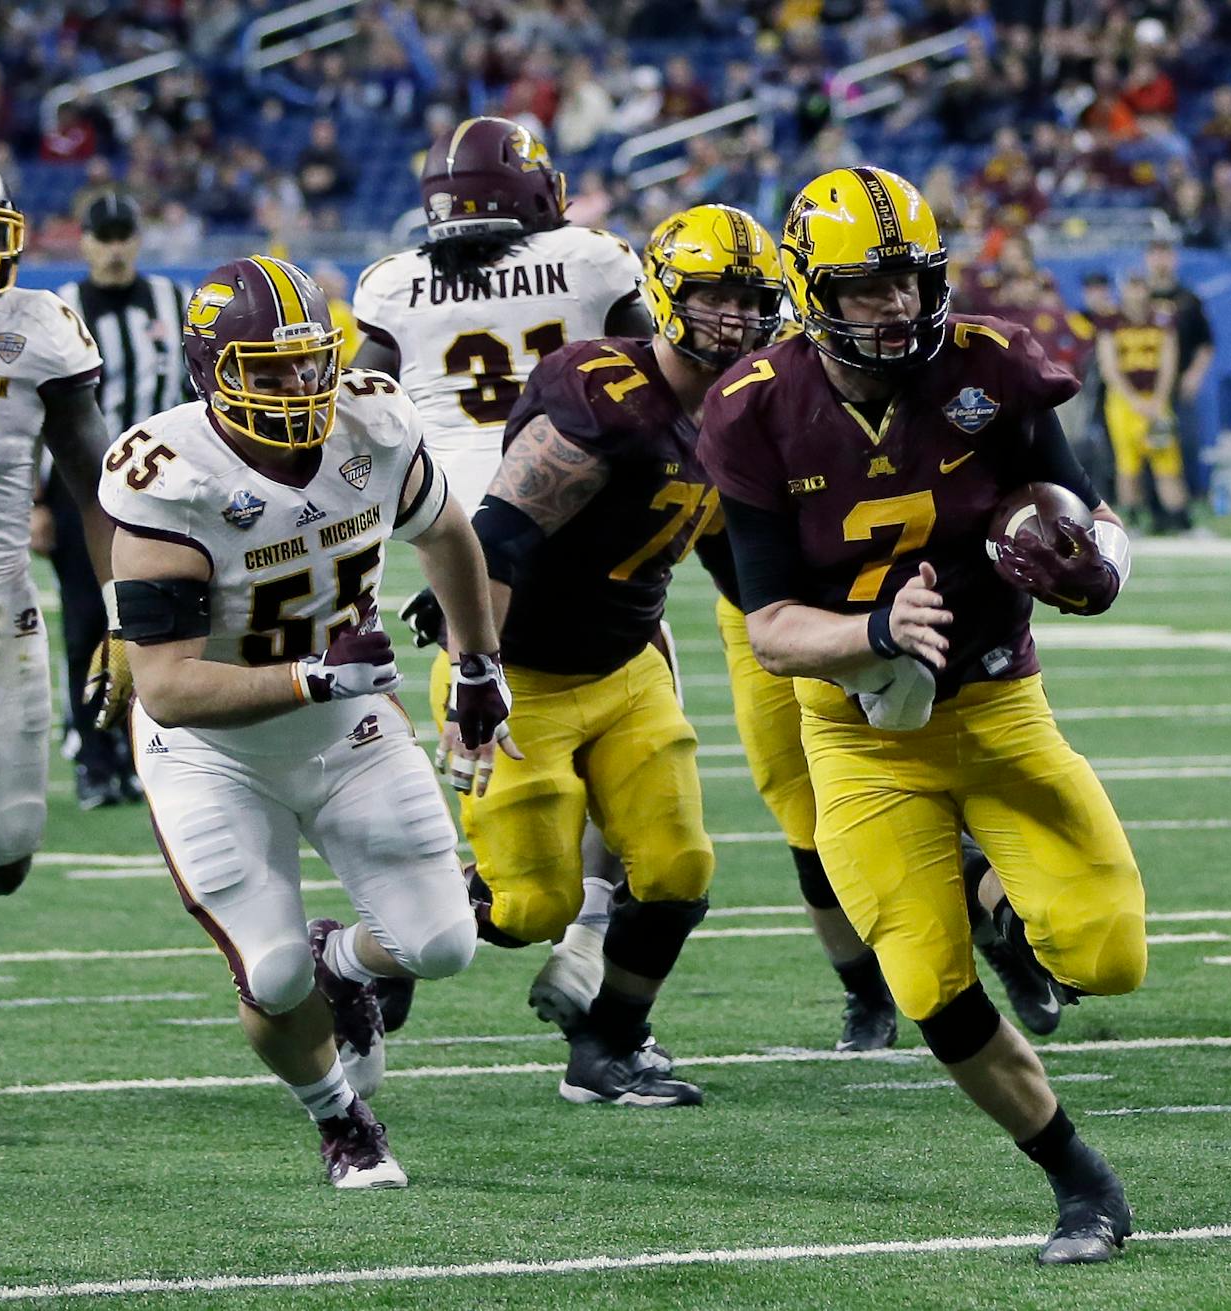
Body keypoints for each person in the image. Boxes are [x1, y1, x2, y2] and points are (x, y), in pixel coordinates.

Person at [700, 166, 1146, 1265]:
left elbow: (1083, 511)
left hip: (999, 705)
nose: (897, 302)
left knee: (1109, 953)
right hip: (858, 731)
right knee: (926, 985)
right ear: (812, 288)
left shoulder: (991, 365)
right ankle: (1080, 1183)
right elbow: (767, 629)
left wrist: (1088, 559)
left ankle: (1007, 917)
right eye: (868, 284)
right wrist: (876, 633)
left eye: (910, 277)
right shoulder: (755, 406)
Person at [100, 255, 510, 1187]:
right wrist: (316, 675)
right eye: (267, 368)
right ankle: (340, 1118)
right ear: (212, 370)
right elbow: (165, 686)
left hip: (344, 728)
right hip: (211, 752)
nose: (298, 385)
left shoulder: (374, 420)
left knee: (443, 942)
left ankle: (348, 959)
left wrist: (480, 664)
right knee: (274, 970)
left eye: (309, 361)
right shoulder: (167, 476)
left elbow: (447, 533)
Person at [458, 205, 781, 1105]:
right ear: (667, 296)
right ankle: (385, 940)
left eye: (753, 299)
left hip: (627, 665)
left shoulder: (743, 417)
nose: (735, 317)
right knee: (530, 910)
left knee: (679, 872)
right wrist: (474, 670)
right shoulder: (605, 388)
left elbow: (738, 565)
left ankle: (609, 1047)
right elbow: (500, 534)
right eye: (714, 295)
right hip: (517, 669)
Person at [347, 116, 653, 1032]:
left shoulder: (394, 285)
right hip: (586, 533)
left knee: (496, 765)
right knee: (628, 740)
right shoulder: (595, 260)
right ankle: (588, 938)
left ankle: (415, 929)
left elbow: (354, 416)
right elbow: (661, 382)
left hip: (456, 548)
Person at [0, 155, 115, 989]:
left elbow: (95, 481)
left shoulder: (37, 326)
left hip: (0, 605)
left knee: (12, 846)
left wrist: (123, 614)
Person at [52, 192, 190, 809]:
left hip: (167, 493)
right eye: (101, 236)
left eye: (122, 235)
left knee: (165, 621)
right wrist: (34, 498)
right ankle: (91, 751)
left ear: (138, 238)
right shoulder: (60, 311)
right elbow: (42, 415)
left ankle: (143, 751)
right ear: (83, 240)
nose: (112, 248)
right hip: (83, 493)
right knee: (87, 623)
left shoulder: (174, 300)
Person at [1098, 270, 1188, 533]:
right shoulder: (1110, 320)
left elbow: (1169, 360)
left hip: (1155, 398)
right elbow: (1109, 366)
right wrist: (1133, 399)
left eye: (1140, 286)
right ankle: (1132, 519)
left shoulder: (1162, 317)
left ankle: (1179, 519)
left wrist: (1159, 398)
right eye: (1131, 286)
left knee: (1167, 459)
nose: (1136, 293)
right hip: (1124, 401)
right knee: (1128, 462)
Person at [1142, 238, 1214, 502]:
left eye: (1165, 254)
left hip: (1178, 382)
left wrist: (1195, 375)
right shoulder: (1139, 296)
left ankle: (1186, 502)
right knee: (1143, 447)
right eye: (1155, 254)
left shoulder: (1188, 299)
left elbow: (1205, 343)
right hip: (1145, 387)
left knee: (1183, 443)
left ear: (1174, 259)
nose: (1160, 261)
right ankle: (1152, 507)